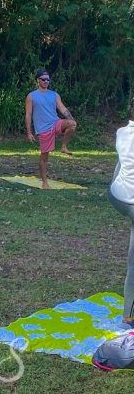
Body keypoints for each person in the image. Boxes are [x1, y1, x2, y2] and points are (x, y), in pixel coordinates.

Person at [25, 69, 77, 189]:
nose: (46, 81)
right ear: (38, 80)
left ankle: (64, 147)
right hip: (43, 129)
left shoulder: (54, 95)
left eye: (48, 79)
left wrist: (71, 120)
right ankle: (44, 182)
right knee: (44, 156)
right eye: (43, 79)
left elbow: (63, 109)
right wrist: (29, 132)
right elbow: (28, 114)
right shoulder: (32, 96)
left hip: (55, 122)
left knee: (72, 124)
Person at [109, 98, 134, 329]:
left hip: (116, 195)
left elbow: (120, 164)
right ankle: (129, 316)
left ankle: (128, 314)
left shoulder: (121, 132)